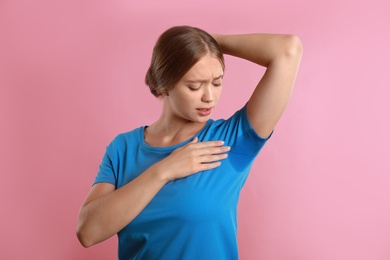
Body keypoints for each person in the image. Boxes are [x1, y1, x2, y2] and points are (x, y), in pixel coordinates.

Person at [77, 25, 302, 259]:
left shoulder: (232, 141)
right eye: (195, 86)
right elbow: (88, 232)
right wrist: (163, 171)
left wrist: (207, 43)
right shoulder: (123, 148)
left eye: (217, 82)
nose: (209, 96)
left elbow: (288, 50)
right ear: (165, 85)